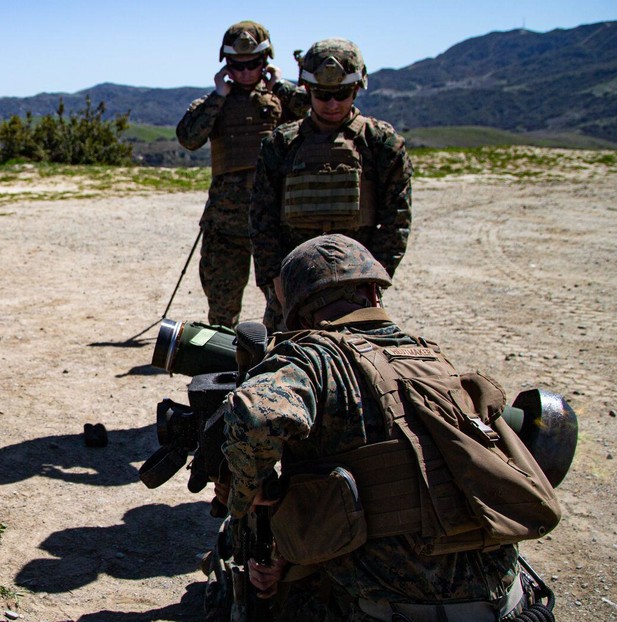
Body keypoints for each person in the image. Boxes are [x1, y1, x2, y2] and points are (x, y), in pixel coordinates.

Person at [219, 234, 546, 621]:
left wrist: (247, 493)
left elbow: (254, 416)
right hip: (507, 604)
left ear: (300, 314)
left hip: (388, 611)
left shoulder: (313, 358)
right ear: (375, 293)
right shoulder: (435, 359)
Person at [250, 38, 411, 330]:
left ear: (358, 87)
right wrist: (277, 284)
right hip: (291, 284)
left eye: (342, 93)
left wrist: (374, 279)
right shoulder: (281, 144)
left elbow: (396, 221)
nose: (333, 104)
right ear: (307, 90)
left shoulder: (381, 143)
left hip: (357, 289)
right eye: (323, 94)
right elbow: (262, 221)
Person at [176, 21, 308, 328]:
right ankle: (222, 369)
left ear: (266, 62)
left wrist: (281, 87)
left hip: (275, 220)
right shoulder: (214, 104)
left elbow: (316, 114)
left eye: (254, 64)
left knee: (284, 305)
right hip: (225, 222)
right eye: (237, 65)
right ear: (225, 65)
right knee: (222, 310)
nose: (246, 72)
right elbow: (189, 137)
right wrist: (218, 95)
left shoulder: (282, 101)